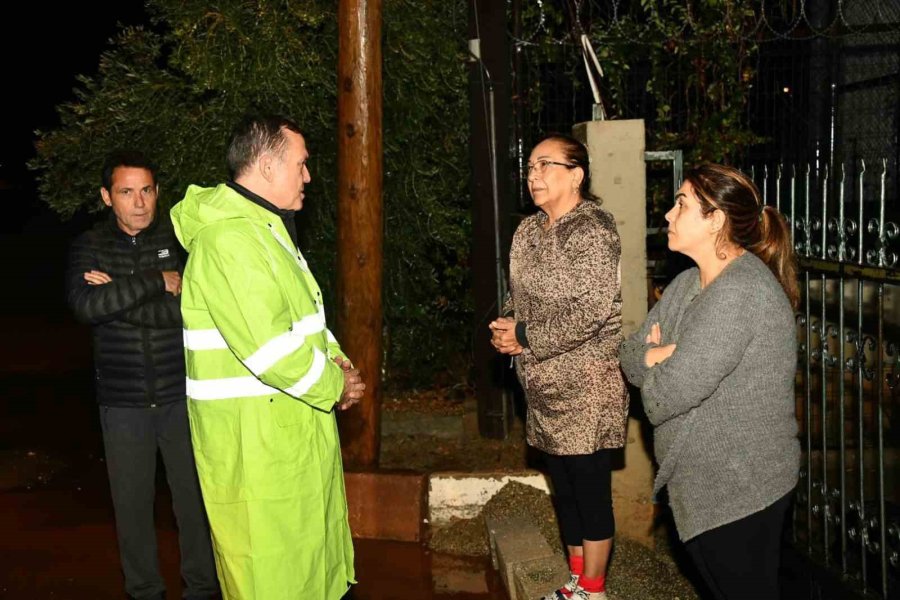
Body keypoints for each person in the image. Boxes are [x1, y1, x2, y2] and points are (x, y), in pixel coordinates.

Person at [170, 114, 365, 600]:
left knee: (305, 570)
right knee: (273, 577)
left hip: (287, 435)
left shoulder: (266, 231)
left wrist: (336, 360)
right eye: (300, 165)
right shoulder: (230, 241)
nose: (308, 176)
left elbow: (303, 320)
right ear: (264, 165)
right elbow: (270, 349)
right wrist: (335, 385)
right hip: (256, 447)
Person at [619, 164, 801, 600]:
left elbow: (664, 397)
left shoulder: (740, 291)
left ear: (716, 219)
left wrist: (658, 360)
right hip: (703, 486)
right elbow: (627, 354)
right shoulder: (685, 285)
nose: (667, 214)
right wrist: (660, 354)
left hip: (741, 487)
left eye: (681, 204)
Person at [66, 150, 219, 600]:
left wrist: (117, 295)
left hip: (180, 396)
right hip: (122, 402)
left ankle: (203, 589)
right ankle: (145, 592)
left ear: (157, 192)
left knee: (193, 504)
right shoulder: (90, 245)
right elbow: (87, 307)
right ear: (107, 197)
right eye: (126, 192)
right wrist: (156, 279)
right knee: (132, 509)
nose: (139, 202)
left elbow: (189, 311)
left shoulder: (178, 240)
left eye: (146, 190)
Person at [490, 134, 628, 600]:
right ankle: (576, 582)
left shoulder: (594, 230)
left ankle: (595, 588)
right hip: (543, 386)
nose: (533, 175)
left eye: (545, 165)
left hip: (586, 386)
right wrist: (508, 324)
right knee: (563, 489)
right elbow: (521, 294)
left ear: (576, 175)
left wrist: (525, 336)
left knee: (589, 490)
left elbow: (591, 309)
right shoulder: (527, 231)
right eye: (529, 166)